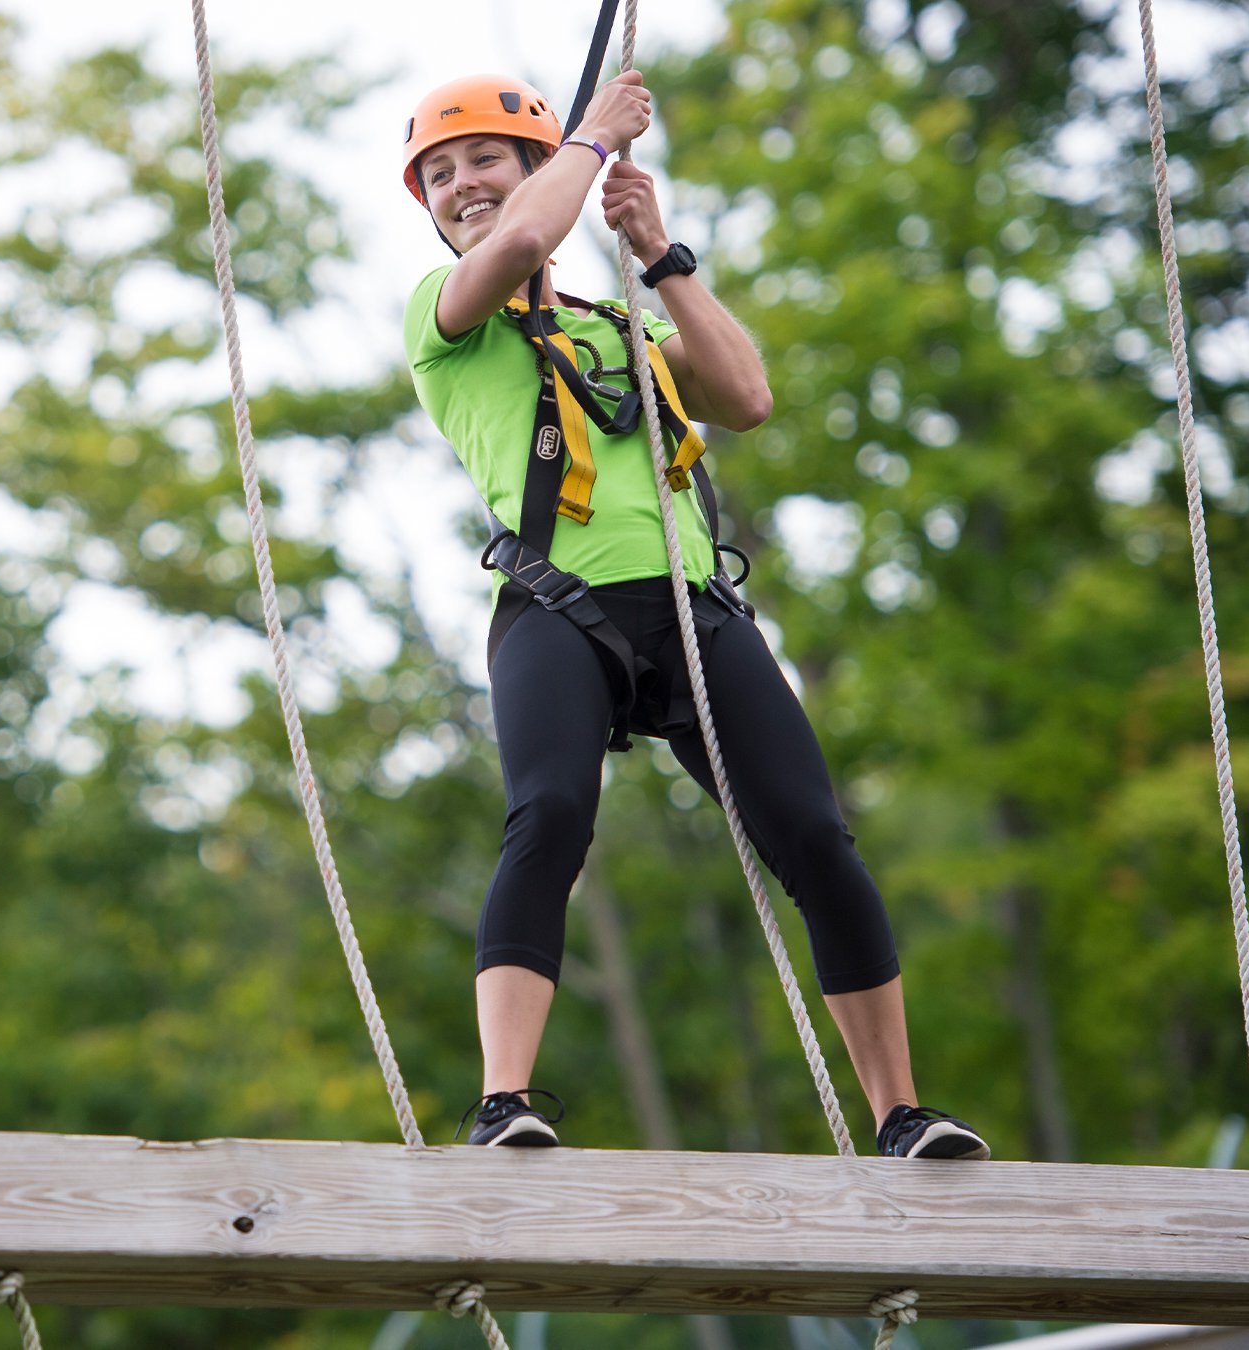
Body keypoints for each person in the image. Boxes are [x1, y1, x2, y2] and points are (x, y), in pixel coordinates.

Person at [402, 70, 989, 1161]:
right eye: (439, 175)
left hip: (695, 610)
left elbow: (745, 398)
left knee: (815, 835)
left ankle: (902, 1113)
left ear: (531, 170)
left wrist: (662, 254)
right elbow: (522, 247)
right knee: (550, 816)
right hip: (556, 607)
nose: (461, 185)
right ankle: (502, 1102)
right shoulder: (449, 320)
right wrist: (587, 141)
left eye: (484, 160)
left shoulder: (615, 327)